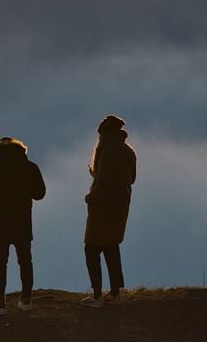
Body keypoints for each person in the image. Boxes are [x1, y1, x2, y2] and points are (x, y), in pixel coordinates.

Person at [0, 136, 46, 316]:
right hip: (22, 221)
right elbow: (39, 194)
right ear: (20, 150)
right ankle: (25, 301)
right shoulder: (31, 168)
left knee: (0, 264)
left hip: (0, 223)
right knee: (25, 262)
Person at [82, 114, 137, 307]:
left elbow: (103, 186)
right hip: (120, 207)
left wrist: (89, 197)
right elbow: (131, 178)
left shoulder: (107, 153)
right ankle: (115, 293)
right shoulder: (126, 150)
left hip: (103, 210)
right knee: (111, 248)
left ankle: (96, 296)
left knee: (91, 249)